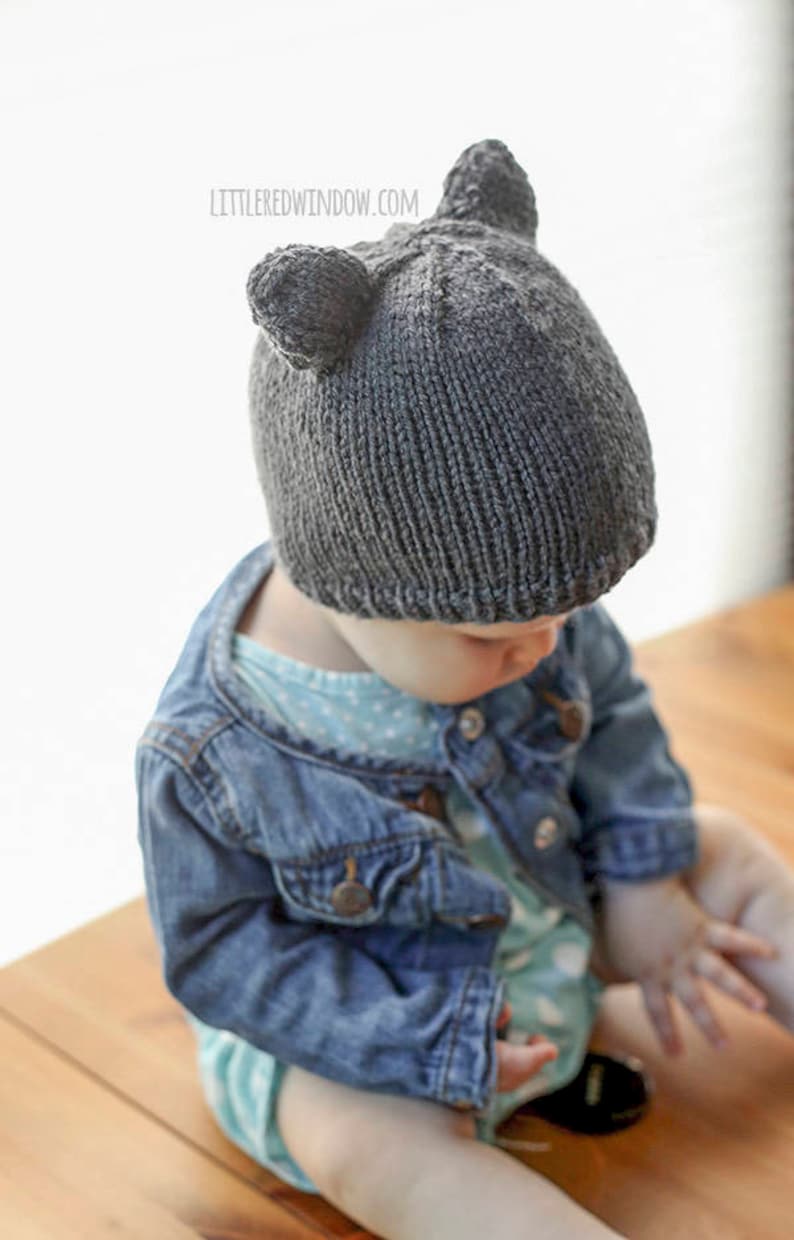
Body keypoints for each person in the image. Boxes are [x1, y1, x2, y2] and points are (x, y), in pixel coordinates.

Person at [135, 138, 794, 1239]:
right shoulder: (213, 751)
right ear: (352, 575)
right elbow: (220, 952)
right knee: (371, 1143)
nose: (544, 647)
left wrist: (640, 880)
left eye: (560, 615)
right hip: (381, 1029)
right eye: (497, 635)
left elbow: (615, 711)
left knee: (718, 845)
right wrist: (413, 1041)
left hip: (546, 927)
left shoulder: (510, 601)